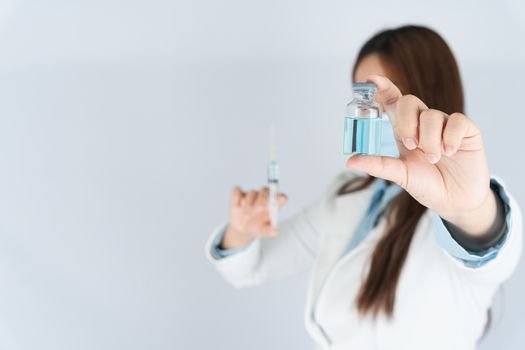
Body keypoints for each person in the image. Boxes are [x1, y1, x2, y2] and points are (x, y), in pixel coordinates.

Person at [204, 25, 523, 349]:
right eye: (362, 96)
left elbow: (488, 242)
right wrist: (242, 231)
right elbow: (254, 267)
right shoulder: (350, 194)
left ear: (427, 93)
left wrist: (469, 209)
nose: (372, 111)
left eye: (383, 98)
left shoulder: (454, 207)